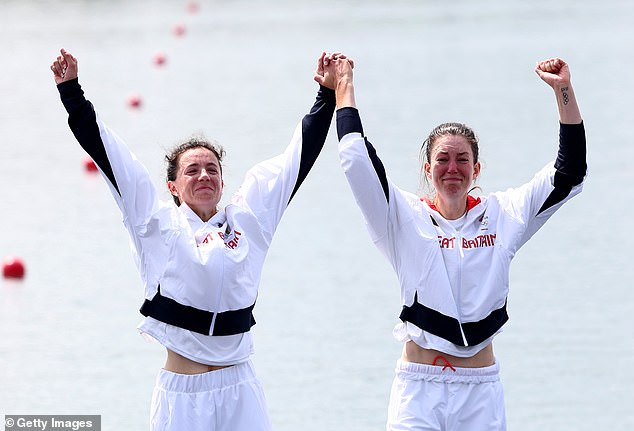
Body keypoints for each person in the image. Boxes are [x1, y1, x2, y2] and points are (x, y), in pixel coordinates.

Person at [50, 48, 344, 431]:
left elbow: (297, 159)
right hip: (183, 395)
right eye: (192, 170)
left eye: (212, 169)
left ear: (223, 182)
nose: (204, 175)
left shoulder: (249, 220)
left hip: (241, 388)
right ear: (172, 185)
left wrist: (326, 95)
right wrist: (72, 91)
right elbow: (109, 154)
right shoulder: (156, 226)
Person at [328, 55, 586, 430]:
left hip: (480, 392)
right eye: (442, 160)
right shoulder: (402, 217)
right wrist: (343, 87)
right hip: (419, 391)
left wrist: (563, 90)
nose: (452, 169)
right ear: (427, 169)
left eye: (462, 160)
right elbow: (355, 158)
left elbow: (570, 171)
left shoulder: (504, 214)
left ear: (476, 169)